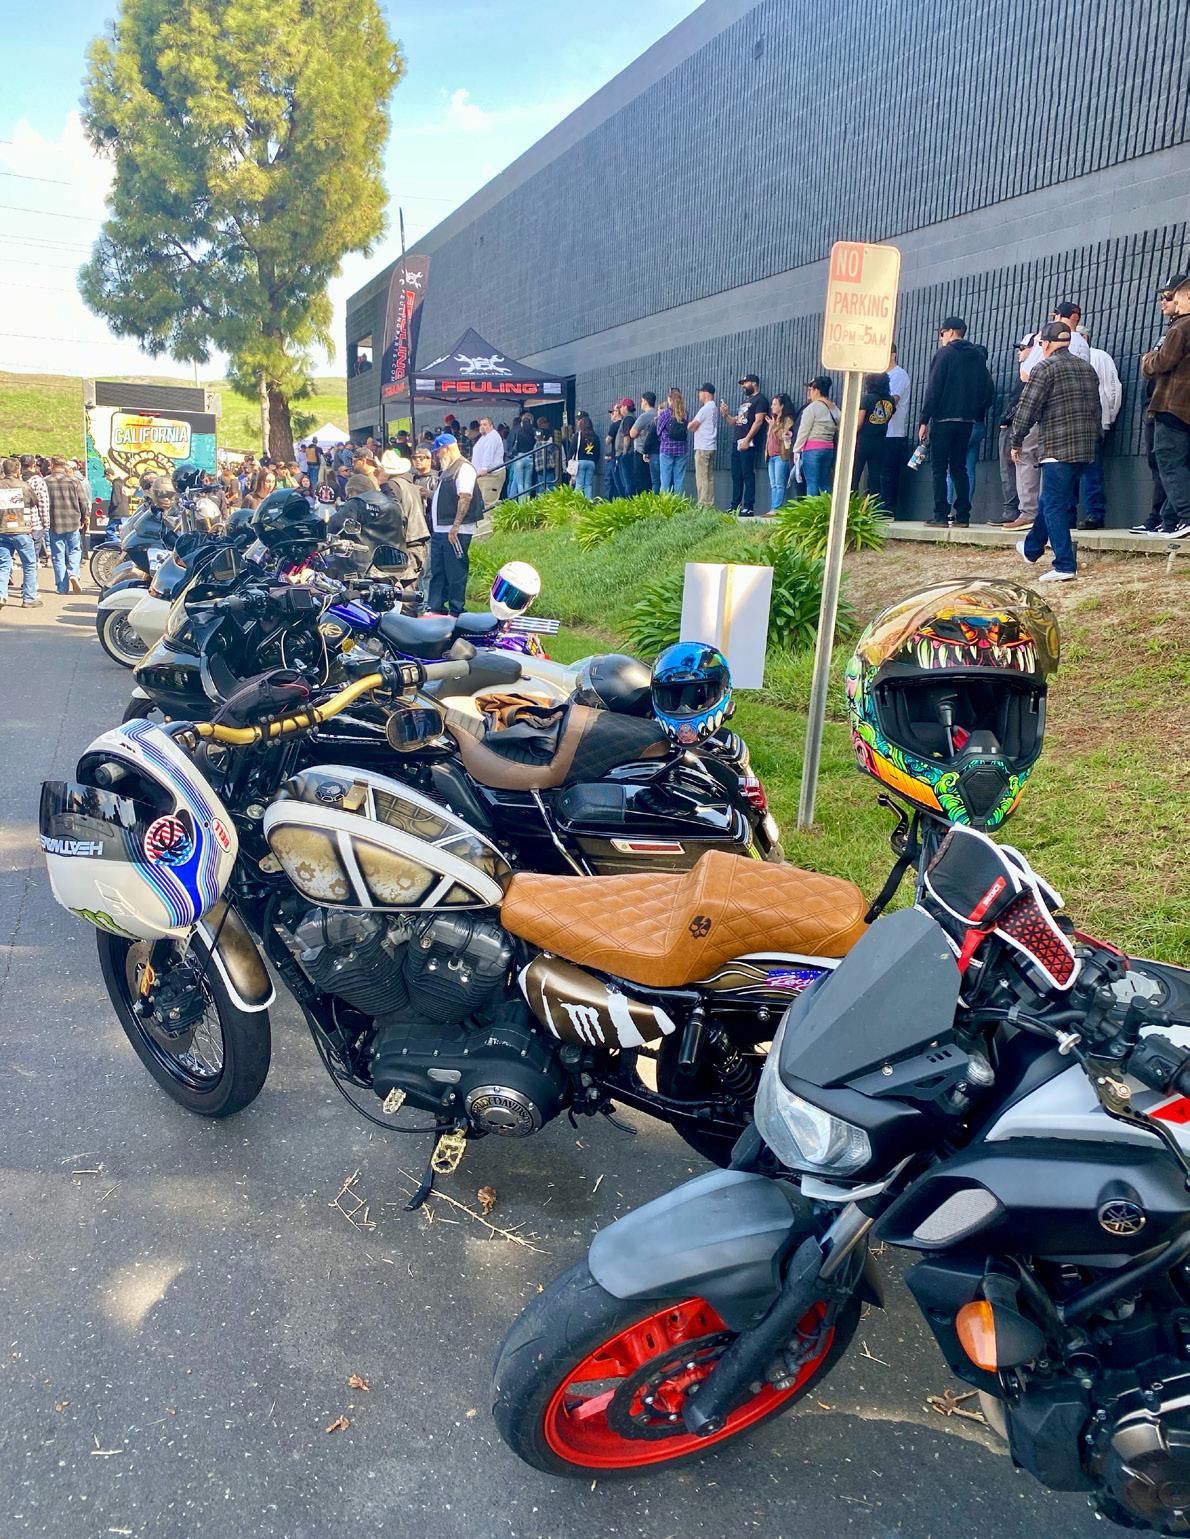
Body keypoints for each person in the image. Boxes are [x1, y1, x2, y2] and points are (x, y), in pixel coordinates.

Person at [1010, 320, 1101, 580]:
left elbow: (1027, 408)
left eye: (1041, 343)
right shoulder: (1087, 368)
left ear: (1047, 344)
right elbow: (1096, 408)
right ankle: (1031, 549)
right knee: (1051, 500)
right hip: (1084, 447)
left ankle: (1064, 565)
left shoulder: (1044, 368)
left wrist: (1016, 441)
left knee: (1053, 506)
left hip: (1056, 447)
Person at [917, 315, 994, 526]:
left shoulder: (944, 354)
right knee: (960, 468)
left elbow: (934, 388)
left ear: (950, 332)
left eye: (942, 333)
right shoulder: (977, 357)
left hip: (944, 418)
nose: (941, 338)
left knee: (940, 468)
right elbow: (983, 388)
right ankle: (963, 515)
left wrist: (924, 420)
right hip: (968, 421)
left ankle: (941, 514)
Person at [1141, 273, 1190, 538]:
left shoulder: (1180, 327)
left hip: (1172, 406)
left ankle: (1185, 517)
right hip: (1185, 410)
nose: (1168, 301)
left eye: (1172, 296)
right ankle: (1170, 521)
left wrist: (1148, 359)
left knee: (1169, 462)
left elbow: (1162, 362)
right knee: (1181, 464)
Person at [1073, 324, 1123, 529]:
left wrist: (1108, 416)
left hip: (1093, 422)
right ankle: (1073, 514)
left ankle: (1094, 513)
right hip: (1076, 423)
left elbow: (1113, 388)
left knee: (1090, 471)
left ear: (1084, 338)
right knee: (1074, 472)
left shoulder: (1099, 356)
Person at [427, 434, 478, 616]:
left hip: (456, 530)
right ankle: (436, 606)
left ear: (447, 449)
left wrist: (456, 526)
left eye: (438, 451)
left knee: (455, 571)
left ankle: (456, 609)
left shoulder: (464, 468)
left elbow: (465, 497)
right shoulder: (449, 470)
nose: (437, 455)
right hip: (441, 529)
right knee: (438, 571)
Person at [997, 336, 1035, 527]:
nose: (1019, 352)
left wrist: (1006, 419)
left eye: (1023, 348)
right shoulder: (1025, 371)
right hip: (1019, 423)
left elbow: (1023, 402)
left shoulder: (1030, 373)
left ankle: (1016, 510)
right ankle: (1019, 509)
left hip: (1019, 424)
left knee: (1015, 465)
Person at [720, 374, 768, 516]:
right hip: (737, 441)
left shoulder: (760, 400)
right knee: (736, 475)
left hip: (749, 443)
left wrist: (747, 439)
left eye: (745, 383)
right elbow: (735, 422)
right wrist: (725, 415)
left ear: (754, 383)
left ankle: (748, 506)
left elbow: (758, 421)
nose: (743, 386)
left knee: (748, 474)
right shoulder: (744, 402)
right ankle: (735, 505)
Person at [0, 456, 42, 608]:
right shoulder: (24, 486)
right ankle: (29, 598)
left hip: (2, 529)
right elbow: (34, 502)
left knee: (3, 565)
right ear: (18, 470)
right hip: (21, 529)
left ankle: (1, 595)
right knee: (29, 564)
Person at [44, 456, 88, 594]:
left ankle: (62, 587)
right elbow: (83, 502)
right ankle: (74, 573)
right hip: (73, 521)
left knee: (58, 555)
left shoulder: (46, 482)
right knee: (75, 550)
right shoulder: (73, 481)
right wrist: (84, 517)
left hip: (54, 522)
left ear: (52, 465)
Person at [792, 376, 841, 496]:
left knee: (812, 482)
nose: (810, 393)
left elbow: (803, 431)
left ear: (817, 390)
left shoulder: (811, 408)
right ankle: (827, 506)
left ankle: (812, 507)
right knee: (825, 483)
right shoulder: (834, 408)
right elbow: (840, 426)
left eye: (811, 390)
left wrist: (796, 450)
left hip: (812, 449)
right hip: (828, 448)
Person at [852, 372, 896, 500]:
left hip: (862, 442)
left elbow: (859, 423)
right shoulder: (890, 400)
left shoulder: (867, 399)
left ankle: (852, 504)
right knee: (875, 480)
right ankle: (873, 505)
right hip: (880, 443)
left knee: (854, 476)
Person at [880, 345, 911, 515]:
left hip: (893, 433)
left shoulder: (899, 375)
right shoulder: (881, 376)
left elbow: (892, 402)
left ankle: (888, 509)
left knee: (889, 473)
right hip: (881, 433)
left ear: (893, 355)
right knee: (880, 473)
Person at [764, 393, 796, 510]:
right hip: (771, 456)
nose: (772, 407)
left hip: (780, 455)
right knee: (773, 485)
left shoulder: (788, 420)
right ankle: (773, 508)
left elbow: (784, 436)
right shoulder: (773, 419)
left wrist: (774, 426)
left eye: (775, 404)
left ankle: (776, 509)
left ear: (781, 406)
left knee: (779, 484)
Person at [655, 388, 690, 496]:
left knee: (665, 480)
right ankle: (678, 503)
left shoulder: (665, 413)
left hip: (667, 449)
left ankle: (665, 503)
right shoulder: (685, 413)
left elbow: (658, 431)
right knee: (679, 480)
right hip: (682, 450)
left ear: (670, 399)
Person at [689, 383, 718, 507]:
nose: (699, 394)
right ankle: (709, 503)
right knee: (709, 477)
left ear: (706, 393)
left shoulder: (705, 408)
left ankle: (703, 504)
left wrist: (689, 425)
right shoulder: (714, 408)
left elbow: (692, 426)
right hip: (711, 445)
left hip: (702, 446)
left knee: (701, 477)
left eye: (700, 392)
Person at [20, 455, 49, 566]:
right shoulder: (37, 481)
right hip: (34, 522)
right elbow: (43, 503)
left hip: (17, 523)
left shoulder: (16, 479)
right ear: (33, 465)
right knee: (31, 561)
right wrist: (45, 522)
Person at [471, 415, 506, 508]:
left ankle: (490, 518)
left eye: (485, 424)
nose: (482, 426)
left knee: (489, 502)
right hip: (483, 476)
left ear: (491, 426)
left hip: (491, 475)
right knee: (484, 502)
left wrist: (484, 467)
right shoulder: (484, 437)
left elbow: (488, 453)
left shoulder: (492, 436)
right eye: (481, 424)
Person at [628, 391, 658, 494]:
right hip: (655, 451)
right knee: (653, 481)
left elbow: (632, 433)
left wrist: (640, 432)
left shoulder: (644, 416)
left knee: (641, 481)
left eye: (641, 401)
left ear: (645, 401)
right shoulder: (657, 414)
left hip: (641, 451)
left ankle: (643, 501)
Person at [569, 412, 600, 499]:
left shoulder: (578, 435)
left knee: (579, 483)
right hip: (591, 463)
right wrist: (594, 462)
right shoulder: (595, 436)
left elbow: (572, 450)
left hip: (580, 462)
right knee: (588, 485)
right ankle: (588, 502)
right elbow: (598, 453)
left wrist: (569, 460)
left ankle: (576, 502)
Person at [509, 412, 536, 500]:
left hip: (519, 457)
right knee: (528, 482)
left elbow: (513, 444)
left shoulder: (518, 431)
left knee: (520, 483)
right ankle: (527, 502)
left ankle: (521, 502)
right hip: (530, 456)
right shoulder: (533, 431)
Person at [613, 398, 637, 497]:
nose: (620, 409)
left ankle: (628, 500)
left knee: (626, 481)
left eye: (622, 406)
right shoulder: (628, 418)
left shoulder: (628, 418)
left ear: (626, 407)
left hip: (626, 454)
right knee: (624, 481)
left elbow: (627, 436)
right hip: (625, 454)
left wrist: (624, 453)